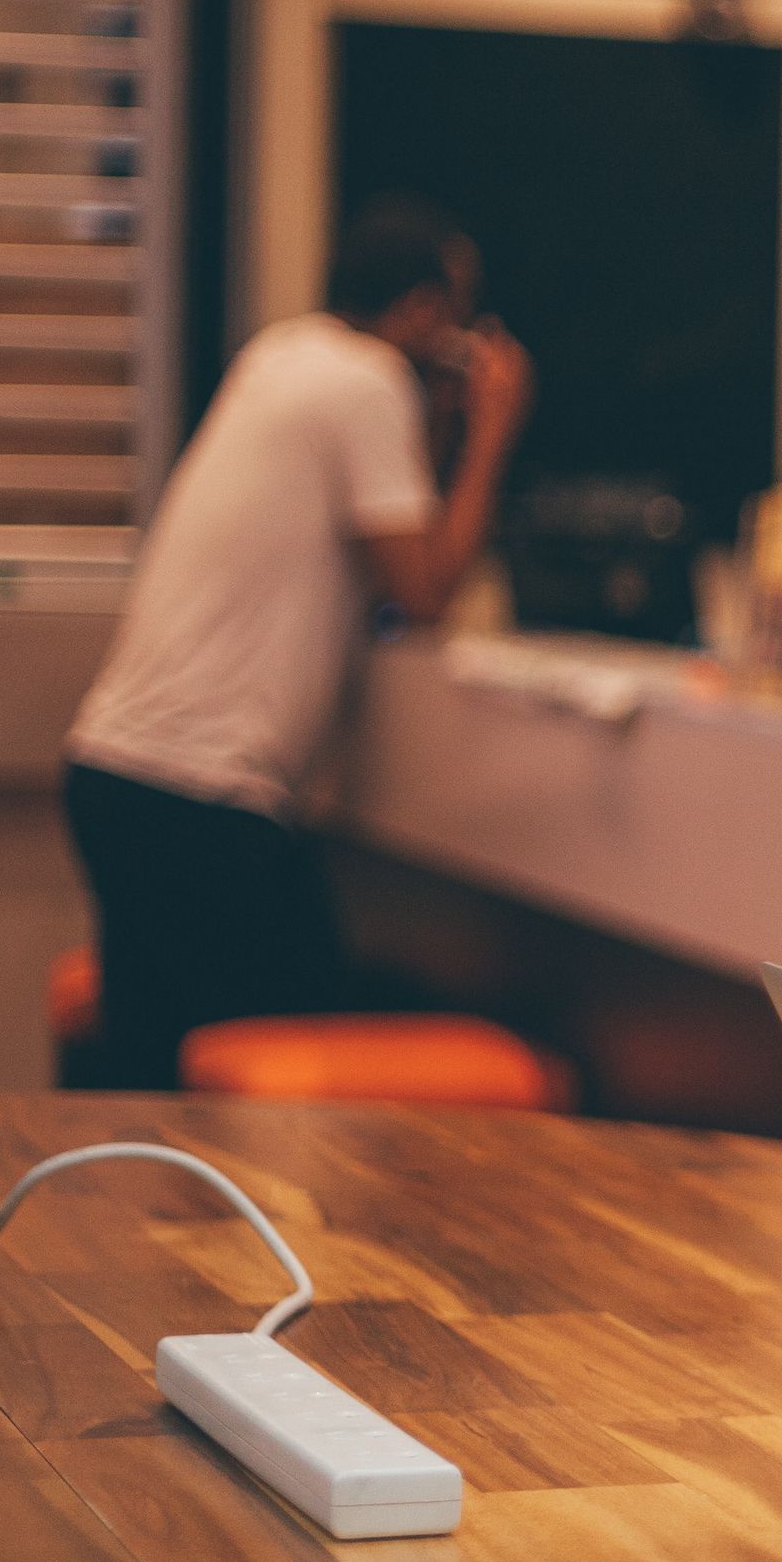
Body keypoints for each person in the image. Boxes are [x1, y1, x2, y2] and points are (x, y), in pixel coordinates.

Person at [62, 196, 531, 1088]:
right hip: (202, 798)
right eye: (461, 315)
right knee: (306, 1053)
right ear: (424, 311)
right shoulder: (365, 384)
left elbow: (384, 539)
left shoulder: (281, 357)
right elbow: (424, 592)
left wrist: (434, 417)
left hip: (115, 776)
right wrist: (492, 432)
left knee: (155, 1081)